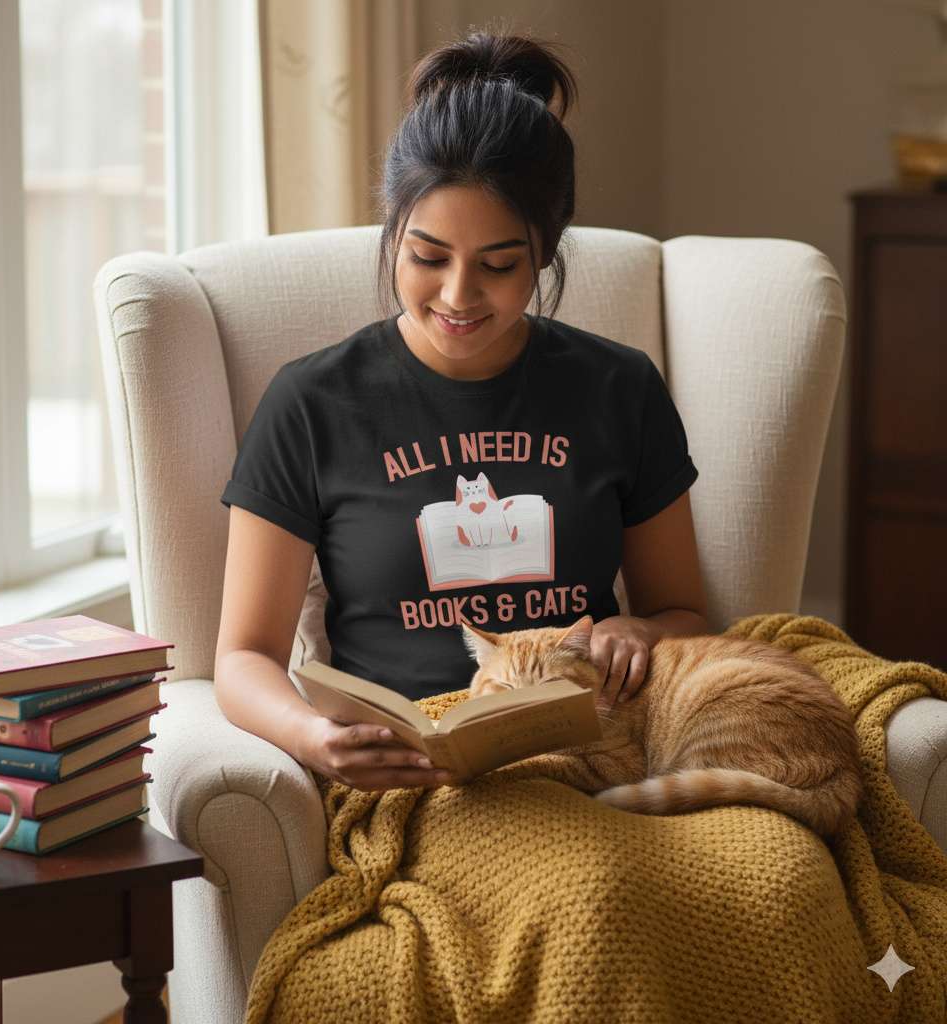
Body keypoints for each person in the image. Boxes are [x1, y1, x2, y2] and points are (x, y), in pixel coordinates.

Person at [214, 27, 709, 794]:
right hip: (411, 773)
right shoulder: (312, 403)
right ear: (393, 232)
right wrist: (311, 735)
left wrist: (637, 629)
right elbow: (242, 655)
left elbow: (683, 610)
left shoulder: (620, 389)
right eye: (427, 256)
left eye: (500, 265)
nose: (456, 295)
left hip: (591, 758)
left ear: (545, 252)